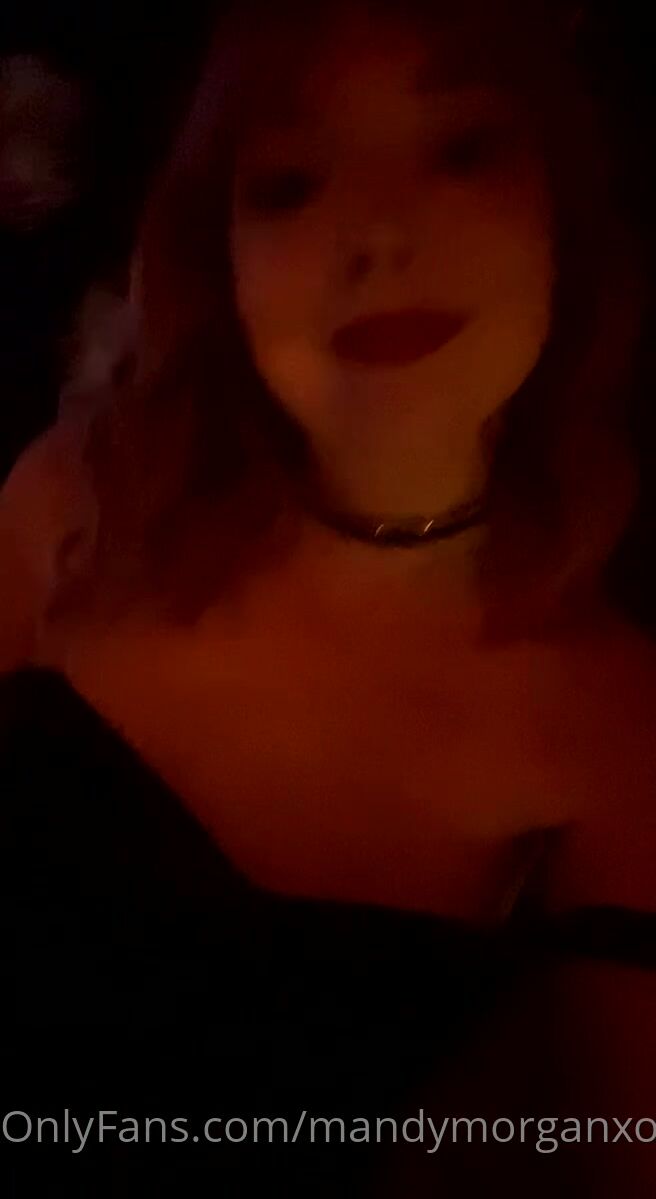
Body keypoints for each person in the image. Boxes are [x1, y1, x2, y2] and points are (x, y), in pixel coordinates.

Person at [1, 0, 655, 1193]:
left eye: (461, 150)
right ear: (221, 266)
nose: (378, 233)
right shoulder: (77, 506)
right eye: (290, 185)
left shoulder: (614, 727)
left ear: (562, 213)